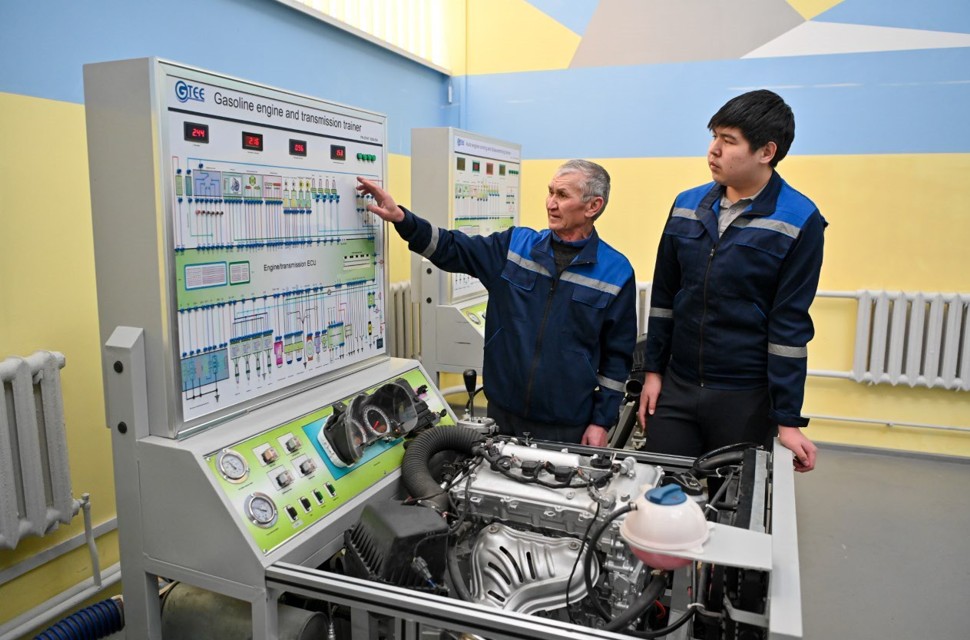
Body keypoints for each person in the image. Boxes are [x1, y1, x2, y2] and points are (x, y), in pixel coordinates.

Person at [357, 160, 637, 446]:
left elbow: (617, 358)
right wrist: (402, 219)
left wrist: (601, 422)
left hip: (568, 425)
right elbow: (453, 248)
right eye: (550, 192)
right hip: (502, 415)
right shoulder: (514, 247)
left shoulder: (616, 272)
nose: (550, 203)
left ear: (593, 206)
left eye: (562, 195)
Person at [637, 90, 824, 472]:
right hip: (678, 386)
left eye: (729, 140)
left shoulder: (799, 220)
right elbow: (664, 298)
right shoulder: (686, 205)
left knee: (731, 500)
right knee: (658, 491)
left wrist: (787, 420)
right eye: (714, 137)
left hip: (744, 397)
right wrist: (653, 373)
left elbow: (789, 327)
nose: (714, 150)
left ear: (766, 151)